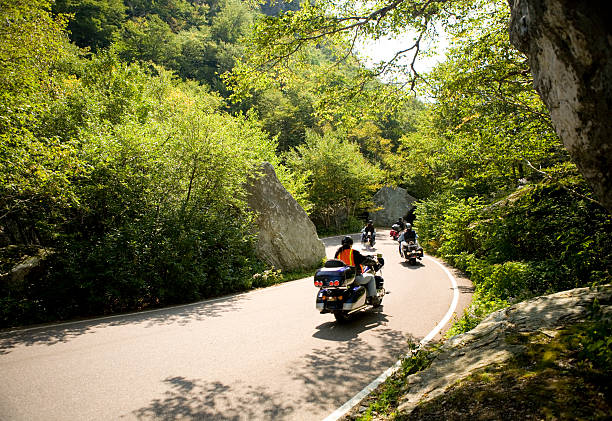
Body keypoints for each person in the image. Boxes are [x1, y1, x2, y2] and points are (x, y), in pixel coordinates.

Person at [334, 236, 379, 304]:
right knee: (371, 277)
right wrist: (374, 262)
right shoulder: (353, 253)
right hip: (354, 278)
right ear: (351, 244)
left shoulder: (338, 253)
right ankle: (373, 298)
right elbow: (365, 260)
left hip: (342, 279)